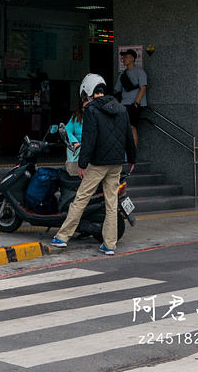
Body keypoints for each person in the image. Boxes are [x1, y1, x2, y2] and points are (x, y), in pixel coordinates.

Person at [50, 73, 136, 255]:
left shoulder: (91, 110)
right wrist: (132, 159)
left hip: (98, 163)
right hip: (116, 163)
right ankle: (109, 245)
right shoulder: (121, 109)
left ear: (88, 91)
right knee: (111, 204)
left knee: (81, 198)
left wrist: (82, 163)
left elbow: (89, 139)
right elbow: (129, 136)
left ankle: (62, 237)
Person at [116, 49, 147, 148]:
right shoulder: (122, 75)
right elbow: (118, 90)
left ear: (132, 59)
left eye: (125, 57)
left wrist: (136, 103)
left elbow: (143, 88)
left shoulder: (140, 71)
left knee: (132, 127)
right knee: (123, 128)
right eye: (123, 57)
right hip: (123, 104)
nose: (123, 59)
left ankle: (132, 154)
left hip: (134, 104)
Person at [64, 97, 85, 176]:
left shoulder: (96, 117)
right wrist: (75, 142)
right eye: (83, 108)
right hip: (79, 149)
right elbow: (67, 130)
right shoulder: (75, 118)